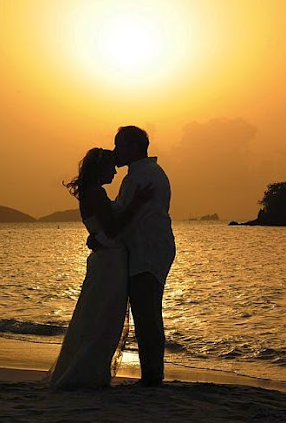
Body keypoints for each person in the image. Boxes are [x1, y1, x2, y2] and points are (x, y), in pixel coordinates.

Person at [49, 148, 150, 390]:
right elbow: (113, 228)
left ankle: (90, 371)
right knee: (103, 317)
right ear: (100, 169)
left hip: (107, 259)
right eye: (111, 167)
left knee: (99, 315)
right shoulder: (96, 193)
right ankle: (87, 373)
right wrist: (137, 203)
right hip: (109, 263)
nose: (114, 172)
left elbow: (103, 228)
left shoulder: (91, 193)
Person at [90, 126, 176, 387]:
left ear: (135, 147)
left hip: (148, 251)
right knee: (146, 312)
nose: (116, 152)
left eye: (120, 146)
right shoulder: (142, 175)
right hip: (147, 249)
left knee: (147, 313)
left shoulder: (143, 177)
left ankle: (152, 376)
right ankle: (152, 373)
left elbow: (124, 219)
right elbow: (122, 214)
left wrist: (100, 235)